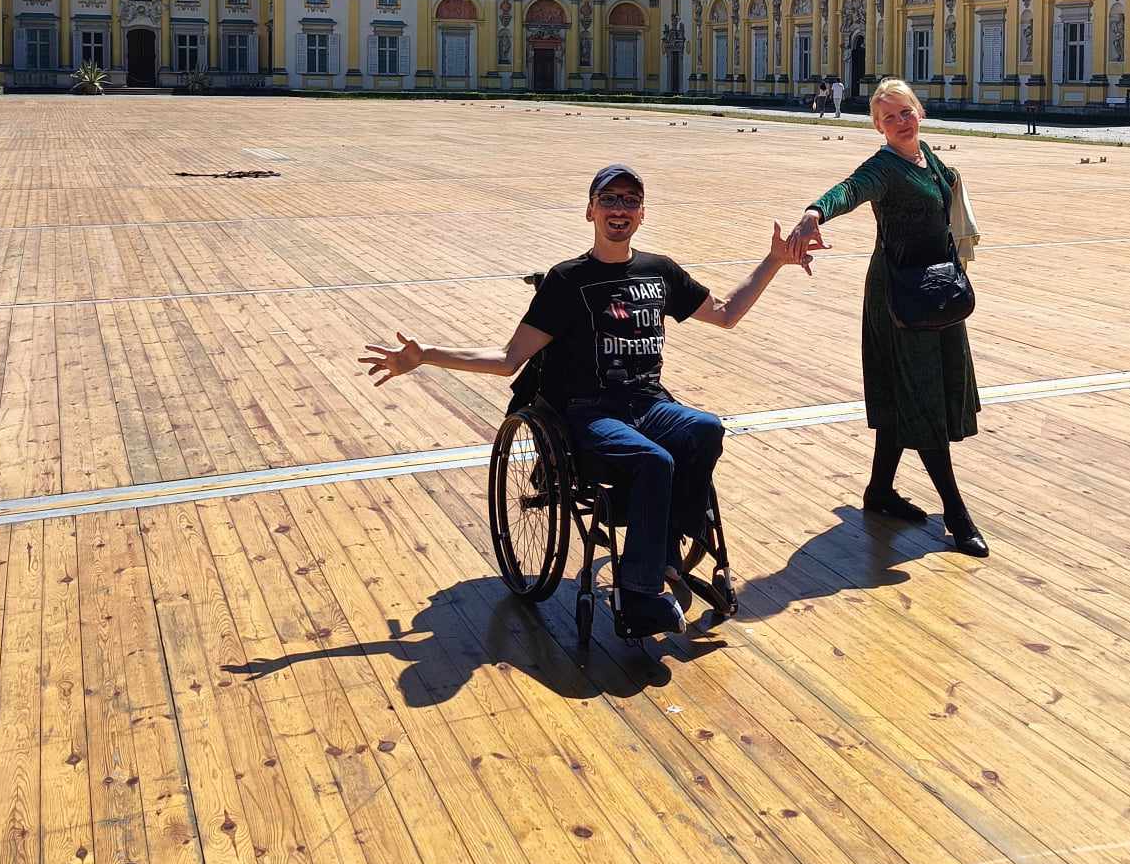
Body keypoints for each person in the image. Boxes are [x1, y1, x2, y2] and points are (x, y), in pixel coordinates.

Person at [361, 163, 811, 638]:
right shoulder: (566, 280)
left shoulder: (659, 272)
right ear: (590, 210)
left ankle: (664, 555)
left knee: (706, 428)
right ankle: (638, 594)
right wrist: (426, 355)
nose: (620, 208)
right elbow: (509, 357)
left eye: (630, 200)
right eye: (610, 199)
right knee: (653, 461)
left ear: (642, 213)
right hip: (589, 413)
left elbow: (725, 314)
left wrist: (774, 261)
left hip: (649, 404)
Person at [786, 79, 987, 557]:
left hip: (936, 290)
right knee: (921, 395)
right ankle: (957, 514)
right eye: (889, 117)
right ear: (877, 126)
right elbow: (852, 189)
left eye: (906, 112)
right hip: (900, 297)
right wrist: (815, 212)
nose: (901, 122)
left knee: (914, 391)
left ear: (919, 112)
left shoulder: (930, 158)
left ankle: (879, 492)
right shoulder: (883, 167)